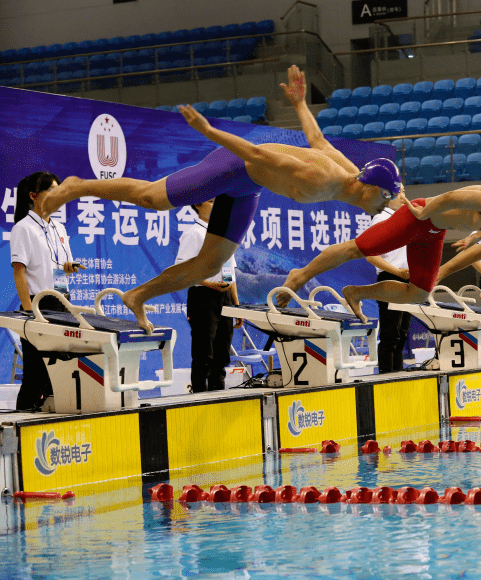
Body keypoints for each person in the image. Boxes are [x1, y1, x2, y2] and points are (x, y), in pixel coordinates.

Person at [39, 65, 401, 333]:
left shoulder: (350, 173)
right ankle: (75, 186)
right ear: (371, 187)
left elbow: (319, 141)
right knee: (153, 198)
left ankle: (138, 296)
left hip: (248, 188)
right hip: (234, 167)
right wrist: (211, 132)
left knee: (210, 264)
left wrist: (301, 103)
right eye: (384, 200)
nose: (383, 207)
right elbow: (258, 156)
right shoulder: (322, 179)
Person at [278, 171, 481, 320]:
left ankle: (356, 293)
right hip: (420, 218)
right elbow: (453, 195)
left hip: (434, 231)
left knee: (418, 294)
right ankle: (299, 275)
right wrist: (425, 212)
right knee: (358, 248)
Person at [10, 172, 84, 410]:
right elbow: (19, 272)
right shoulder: (23, 228)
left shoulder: (59, 227)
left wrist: (68, 268)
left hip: (61, 303)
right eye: (51, 190)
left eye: (59, 189)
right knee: (36, 374)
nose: (58, 194)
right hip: (38, 306)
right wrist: (29, 312)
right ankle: (20, 429)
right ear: (33, 196)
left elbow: (60, 269)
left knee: (58, 371)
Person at [174, 199, 241, 393]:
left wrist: (236, 305)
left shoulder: (225, 236)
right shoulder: (193, 234)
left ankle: (218, 396)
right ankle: (199, 399)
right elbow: (183, 271)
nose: (216, 206)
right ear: (197, 205)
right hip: (204, 297)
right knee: (204, 354)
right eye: (211, 202)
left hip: (225, 298)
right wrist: (209, 283)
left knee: (222, 355)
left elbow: (230, 273)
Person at [365, 197, 411, 374]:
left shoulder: (404, 219)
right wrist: (396, 271)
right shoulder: (381, 219)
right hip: (391, 278)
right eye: (398, 192)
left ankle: (398, 374)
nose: (403, 196)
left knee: (401, 334)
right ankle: (386, 377)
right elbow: (371, 255)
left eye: (404, 191)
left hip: (406, 278)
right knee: (390, 335)